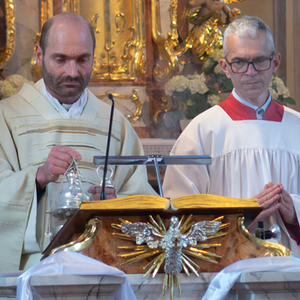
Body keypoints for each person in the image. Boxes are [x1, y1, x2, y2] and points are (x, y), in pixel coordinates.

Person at [0, 13, 157, 272]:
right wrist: (38, 177)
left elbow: (142, 200)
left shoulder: (114, 123)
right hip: (30, 269)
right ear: (39, 55)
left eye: (82, 60)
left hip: (101, 264)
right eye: (60, 59)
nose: (72, 72)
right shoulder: (6, 117)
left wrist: (114, 205)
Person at [163, 16, 300, 257]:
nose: (250, 72)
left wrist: (294, 212)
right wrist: (242, 214)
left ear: (275, 63)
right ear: (225, 67)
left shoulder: (296, 127)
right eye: (239, 62)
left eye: (259, 60)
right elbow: (179, 214)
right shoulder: (202, 131)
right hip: (227, 268)